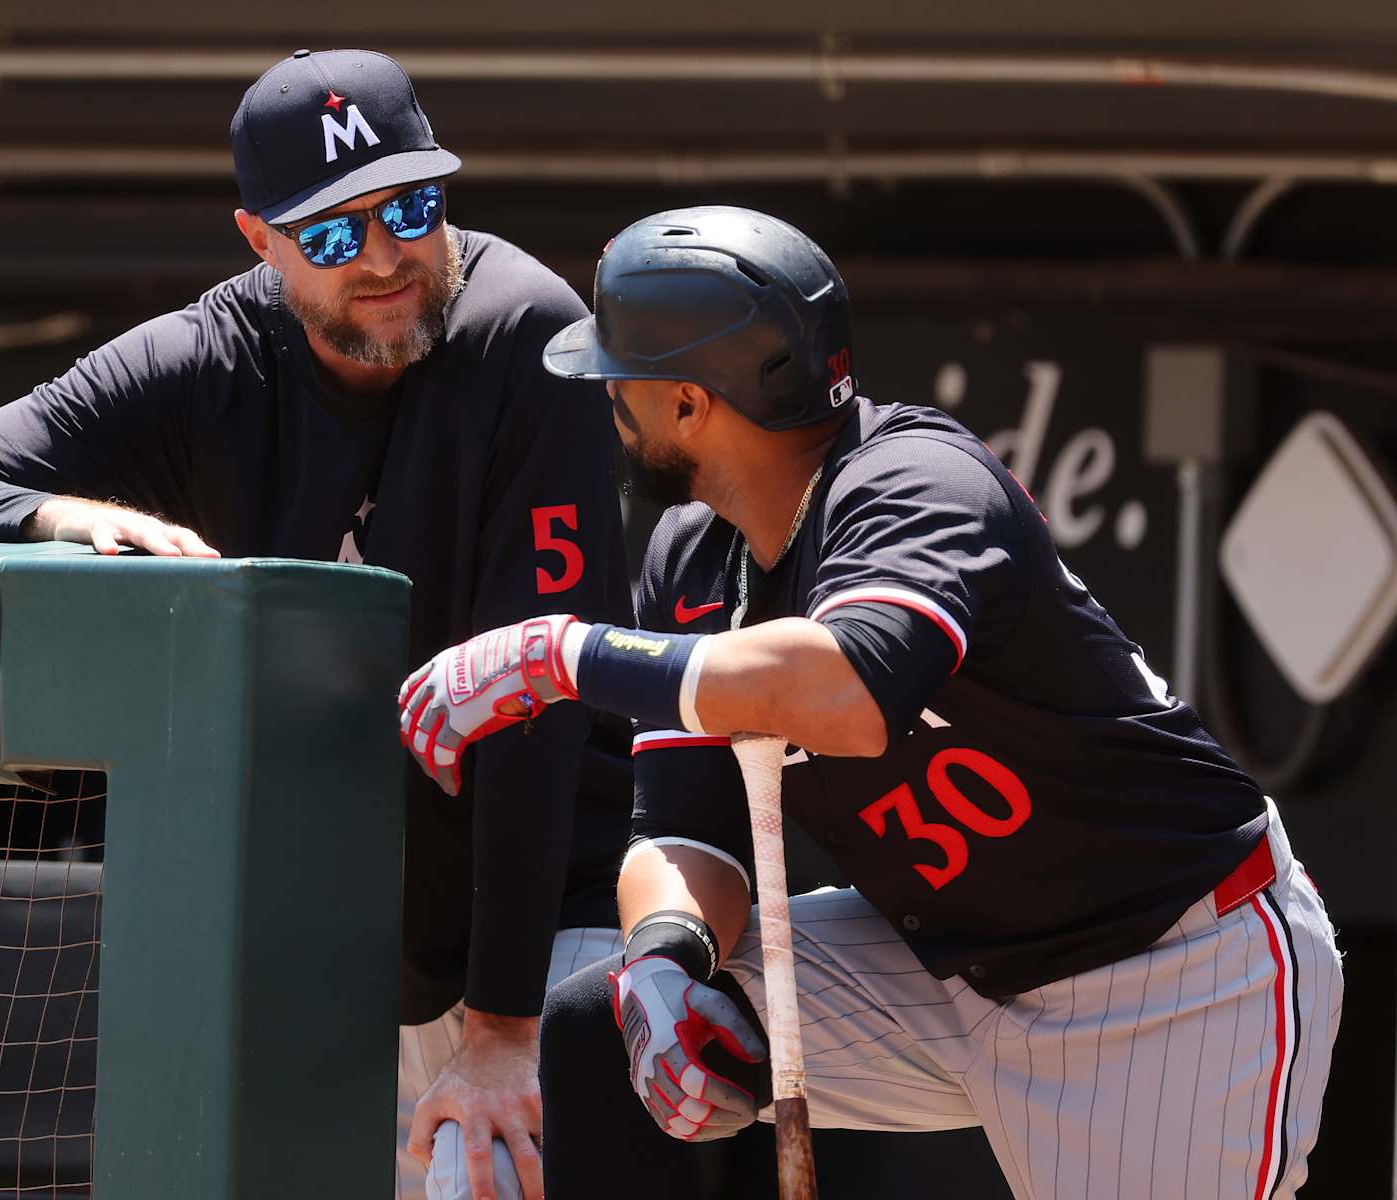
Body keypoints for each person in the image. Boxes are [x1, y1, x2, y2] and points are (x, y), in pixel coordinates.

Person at [397, 205, 1343, 1200]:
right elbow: (685, 830)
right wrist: (668, 957)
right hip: (942, 968)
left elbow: (843, 694)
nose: (608, 401)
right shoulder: (693, 555)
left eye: (619, 377)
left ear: (687, 403)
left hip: (1166, 969)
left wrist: (565, 654)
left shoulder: (917, 481)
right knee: (603, 1021)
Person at [0, 48, 635, 1200]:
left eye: (410, 209)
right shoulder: (206, 359)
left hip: (551, 916)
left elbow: (534, 713)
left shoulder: (527, 334)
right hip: (350, 940)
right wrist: (62, 516)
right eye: (333, 232)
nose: (384, 258)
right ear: (260, 240)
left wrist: (505, 1030)